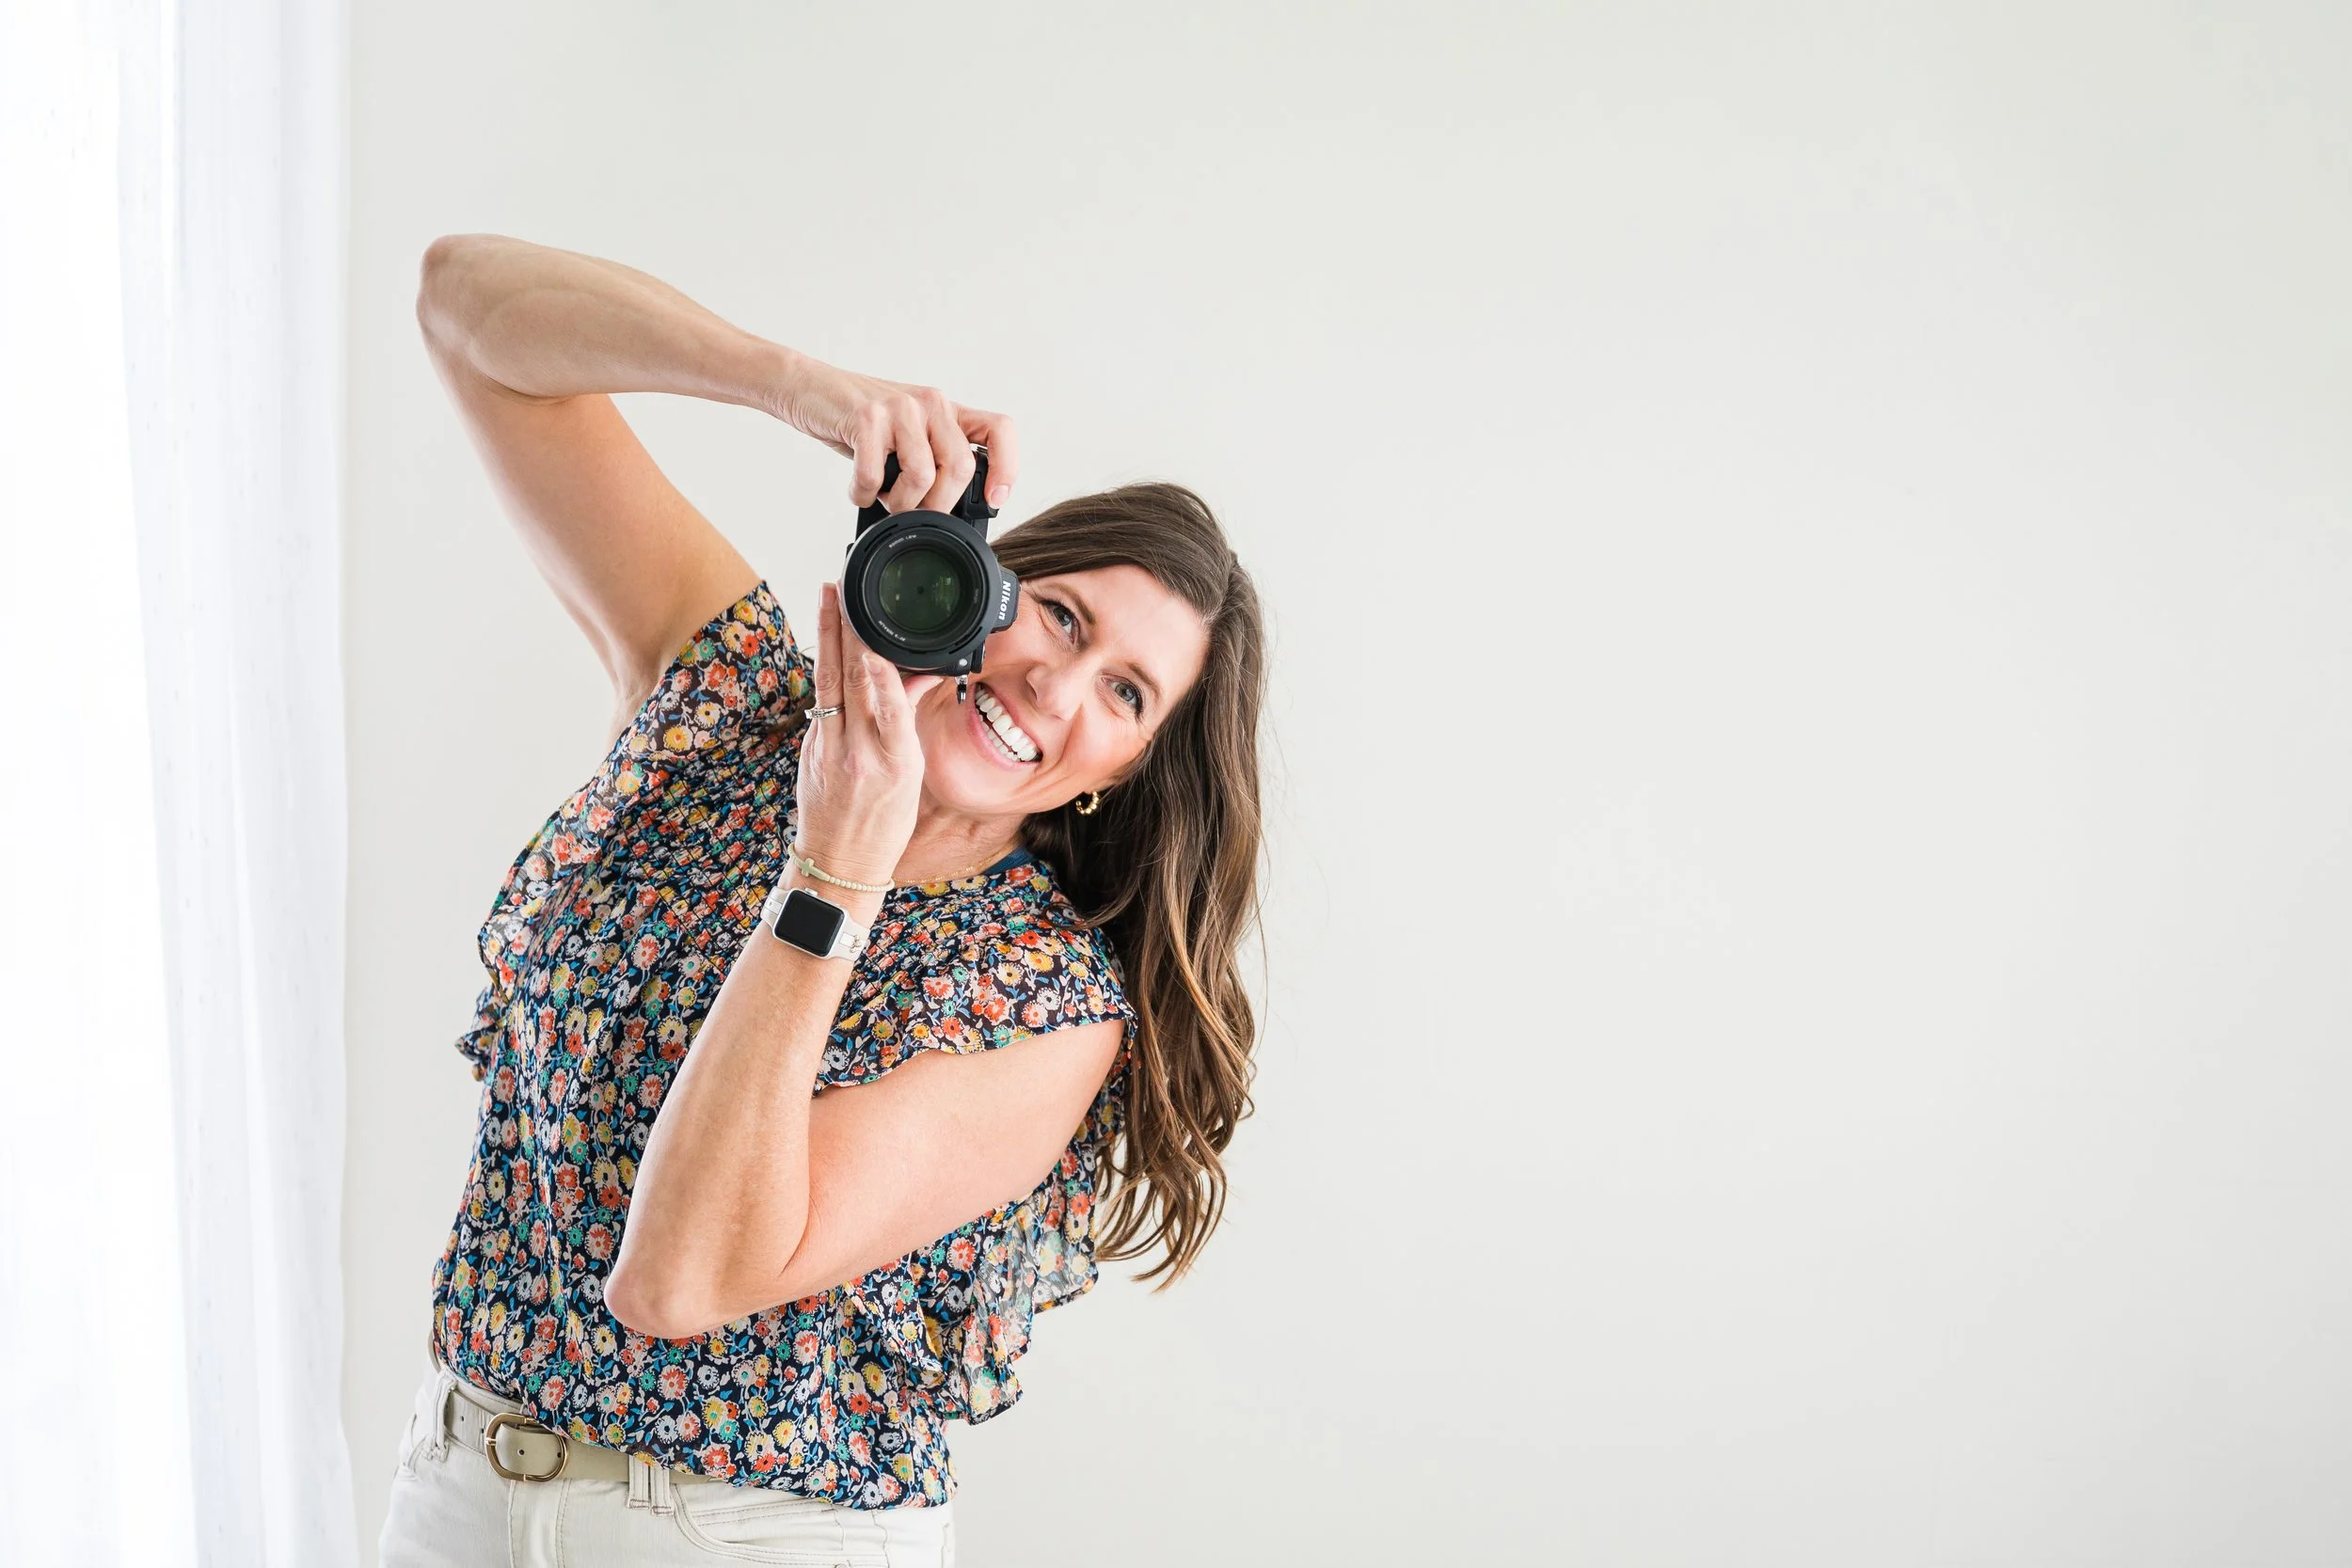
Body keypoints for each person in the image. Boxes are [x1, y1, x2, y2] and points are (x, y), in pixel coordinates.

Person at [378, 234, 1265, 1567]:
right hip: (460, 1483)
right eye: (1067, 620)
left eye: (1128, 694)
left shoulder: (1042, 1004)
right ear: (987, 584)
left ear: (1125, 770)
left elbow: (674, 1279)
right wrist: (793, 386)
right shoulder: (733, 700)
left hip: (742, 1538)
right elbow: (462, 310)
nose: (1059, 691)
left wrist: (833, 875)